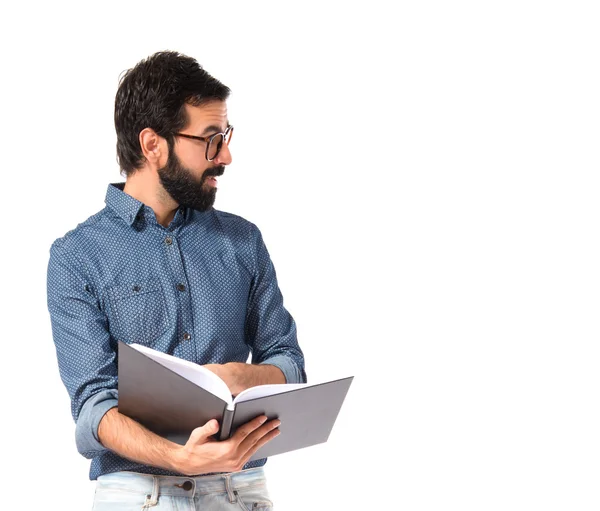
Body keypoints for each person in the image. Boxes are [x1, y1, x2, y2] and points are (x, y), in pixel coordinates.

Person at [46, 51, 306, 510]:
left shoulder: (243, 241)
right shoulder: (77, 257)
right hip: (138, 495)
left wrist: (240, 377)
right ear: (153, 145)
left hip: (239, 492)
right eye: (209, 139)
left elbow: (288, 361)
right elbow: (94, 405)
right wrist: (180, 459)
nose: (225, 155)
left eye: (224, 136)